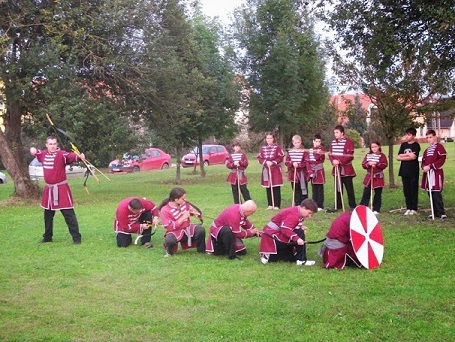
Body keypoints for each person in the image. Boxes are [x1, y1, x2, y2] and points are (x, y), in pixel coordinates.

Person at [30, 136, 84, 244]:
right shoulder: (43, 154)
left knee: (68, 214)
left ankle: (76, 238)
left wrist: (79, 157)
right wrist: (33, 150)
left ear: (57, 144)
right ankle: (47, 237)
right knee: (48, 215)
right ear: (46, 145)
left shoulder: (62, 154)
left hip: (61, 188)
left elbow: (71, 156)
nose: (53, 146)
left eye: (54, 144)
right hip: (49, 190)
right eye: (50, 144)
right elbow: (35, 152)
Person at [259, 198, 318, 266]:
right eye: (309, 213)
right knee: (299, 233)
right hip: (271, 236)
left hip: (273, 234)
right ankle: (301, 260)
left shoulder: (296, 211)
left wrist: (298, 227)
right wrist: (297, 239)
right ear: (303, 208)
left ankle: (269, 256)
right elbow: (285, 229)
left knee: (291, 257)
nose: (309, 216)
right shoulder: (293, 214)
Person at [159, 187, 206, 256]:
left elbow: (191, 209)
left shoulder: (184, 203)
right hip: (174, 231)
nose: (185, 200)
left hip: (187, 228)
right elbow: (169, 227)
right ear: (176, 199)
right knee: (169, 240)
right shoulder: (165, 210)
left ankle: (201, 251)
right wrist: (183, 217)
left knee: (200, 230)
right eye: (183, 199)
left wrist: (196, 214)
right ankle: (169, 252)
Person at [421, 130, 447, 220]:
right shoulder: (427, 150)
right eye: (427, 137)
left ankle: (441, 212)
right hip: (428, 174)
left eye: (430, 137)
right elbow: (423, 161)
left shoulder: (439, 147)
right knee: (430, 192)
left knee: (436, 192)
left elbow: (442, 158)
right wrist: (424, 167)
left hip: (436, 173)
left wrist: (431, 166)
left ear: (435, 137)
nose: (429, 139)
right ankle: (434, 211)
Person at [329, 125, 357, 211]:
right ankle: (338, 205)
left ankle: (352, 205)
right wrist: (333, 161)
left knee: (349, 188)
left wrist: (340, 161)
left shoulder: (348, 142)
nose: (335, 134)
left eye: (337, 132)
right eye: (334, 133)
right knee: (337, 188)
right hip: (336, 168)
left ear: (342, 133)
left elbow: (349, 156)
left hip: (346, 169)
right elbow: (330, 154)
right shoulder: (333, 143)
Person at [396, 127, 421, 215]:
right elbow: (398, 157)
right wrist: (408, 155)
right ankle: (408, 207)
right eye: (406, 134)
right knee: (406, 190)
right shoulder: (403, 145)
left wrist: (404, 156)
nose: (407, 136)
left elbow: (414, 157)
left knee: (413, 189)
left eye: (409, 134)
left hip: (413, 171)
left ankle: (414, 208)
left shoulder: (416, 145)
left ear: (413, 135)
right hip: (404, 171)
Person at [359, 141, 388, 214]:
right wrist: (368, 164)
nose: (374, 148)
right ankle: (363, 207)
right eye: (372, 147)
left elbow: (384, 164)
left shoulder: (382, 155)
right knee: (366, 192)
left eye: (375, 147)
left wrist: (376, 164)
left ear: (379, 147)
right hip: (369, 176)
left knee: (378, 193)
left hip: (378, 176)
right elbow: (363, 164)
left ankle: (376, 209)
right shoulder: (368, 155)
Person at [257, 132, 284, 210]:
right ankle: (270, 204)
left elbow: (280, 157)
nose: (269, 140)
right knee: (268, 187)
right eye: (267, 138)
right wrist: (266, 162)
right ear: (266, 139)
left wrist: (273, 162)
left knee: (276, 186)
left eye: (270, 138)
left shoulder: (277, 148)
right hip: (266, 169)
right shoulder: (262, 148)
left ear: (273, 139)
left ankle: (276, 205)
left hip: (275, 169)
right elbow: (260, 158)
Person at [285, 135, 308, 206]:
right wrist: (292, 163)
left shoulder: (304, 151)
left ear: (300, 142)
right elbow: (287, 162)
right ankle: (297, 203)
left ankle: (304, 204)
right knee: (295, 189)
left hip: (302, 173)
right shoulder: (290, 152)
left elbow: (306, 162)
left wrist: (299, 165)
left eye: (298, 142)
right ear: (293, 143)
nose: (297, 144)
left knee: (303, 189)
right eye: (295, 143)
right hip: (293, 174)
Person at [306, 134, 326, 211]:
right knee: (314, 188)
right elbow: (307, 161)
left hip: (319, 170)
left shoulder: (321, 149)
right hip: (312, 170)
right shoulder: (310, 150)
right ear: (313, 141)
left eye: (319, 141)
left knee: (320, 187)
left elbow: (320, 158)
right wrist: (310, 171)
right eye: (316, 141)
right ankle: (314, 204)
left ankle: (320, 205)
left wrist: (318, 153)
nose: (318, 143)